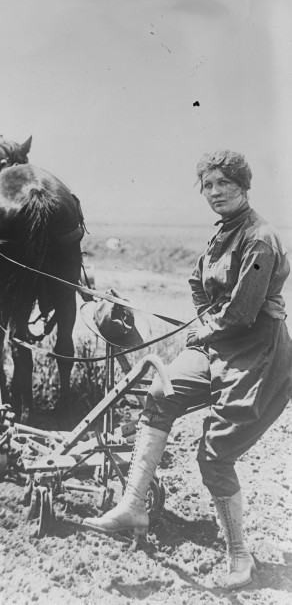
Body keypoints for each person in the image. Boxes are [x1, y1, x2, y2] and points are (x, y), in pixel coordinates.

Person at [82, 150, 292, 589]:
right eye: (208, 186)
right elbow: (198, 282)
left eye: (224, 184)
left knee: (215, 455)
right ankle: (133, 506)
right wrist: (206, 320)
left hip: (257, 352)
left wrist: (207, 329)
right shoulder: (221, 234)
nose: (214, 193)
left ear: (244, 186)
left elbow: (243, 310)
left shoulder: (259, 238)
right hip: (220, 343)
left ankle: (240, 556)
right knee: (161, 393)